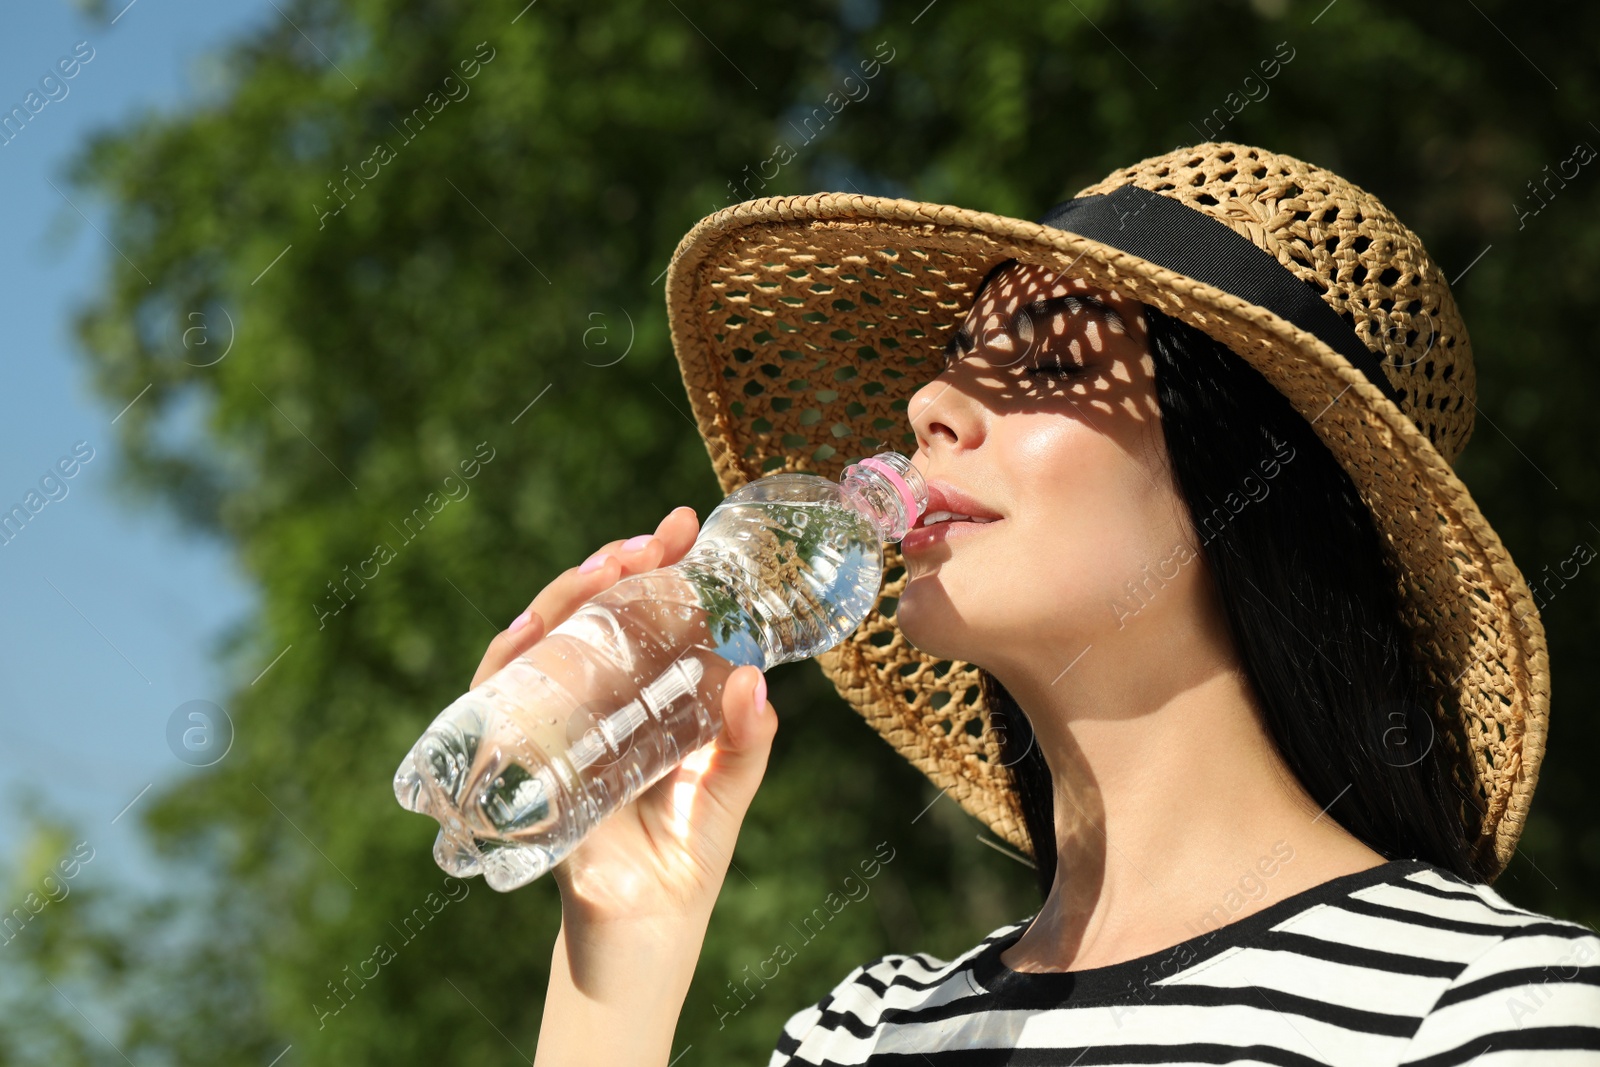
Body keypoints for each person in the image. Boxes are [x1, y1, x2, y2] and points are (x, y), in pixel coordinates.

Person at [504, 143, 1600, 1064]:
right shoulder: (869, 1030)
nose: (929, 404)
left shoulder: (1496, 1013)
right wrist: (624, 937)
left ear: (1251, 487)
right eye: (953, 362)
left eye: (1052, 364)